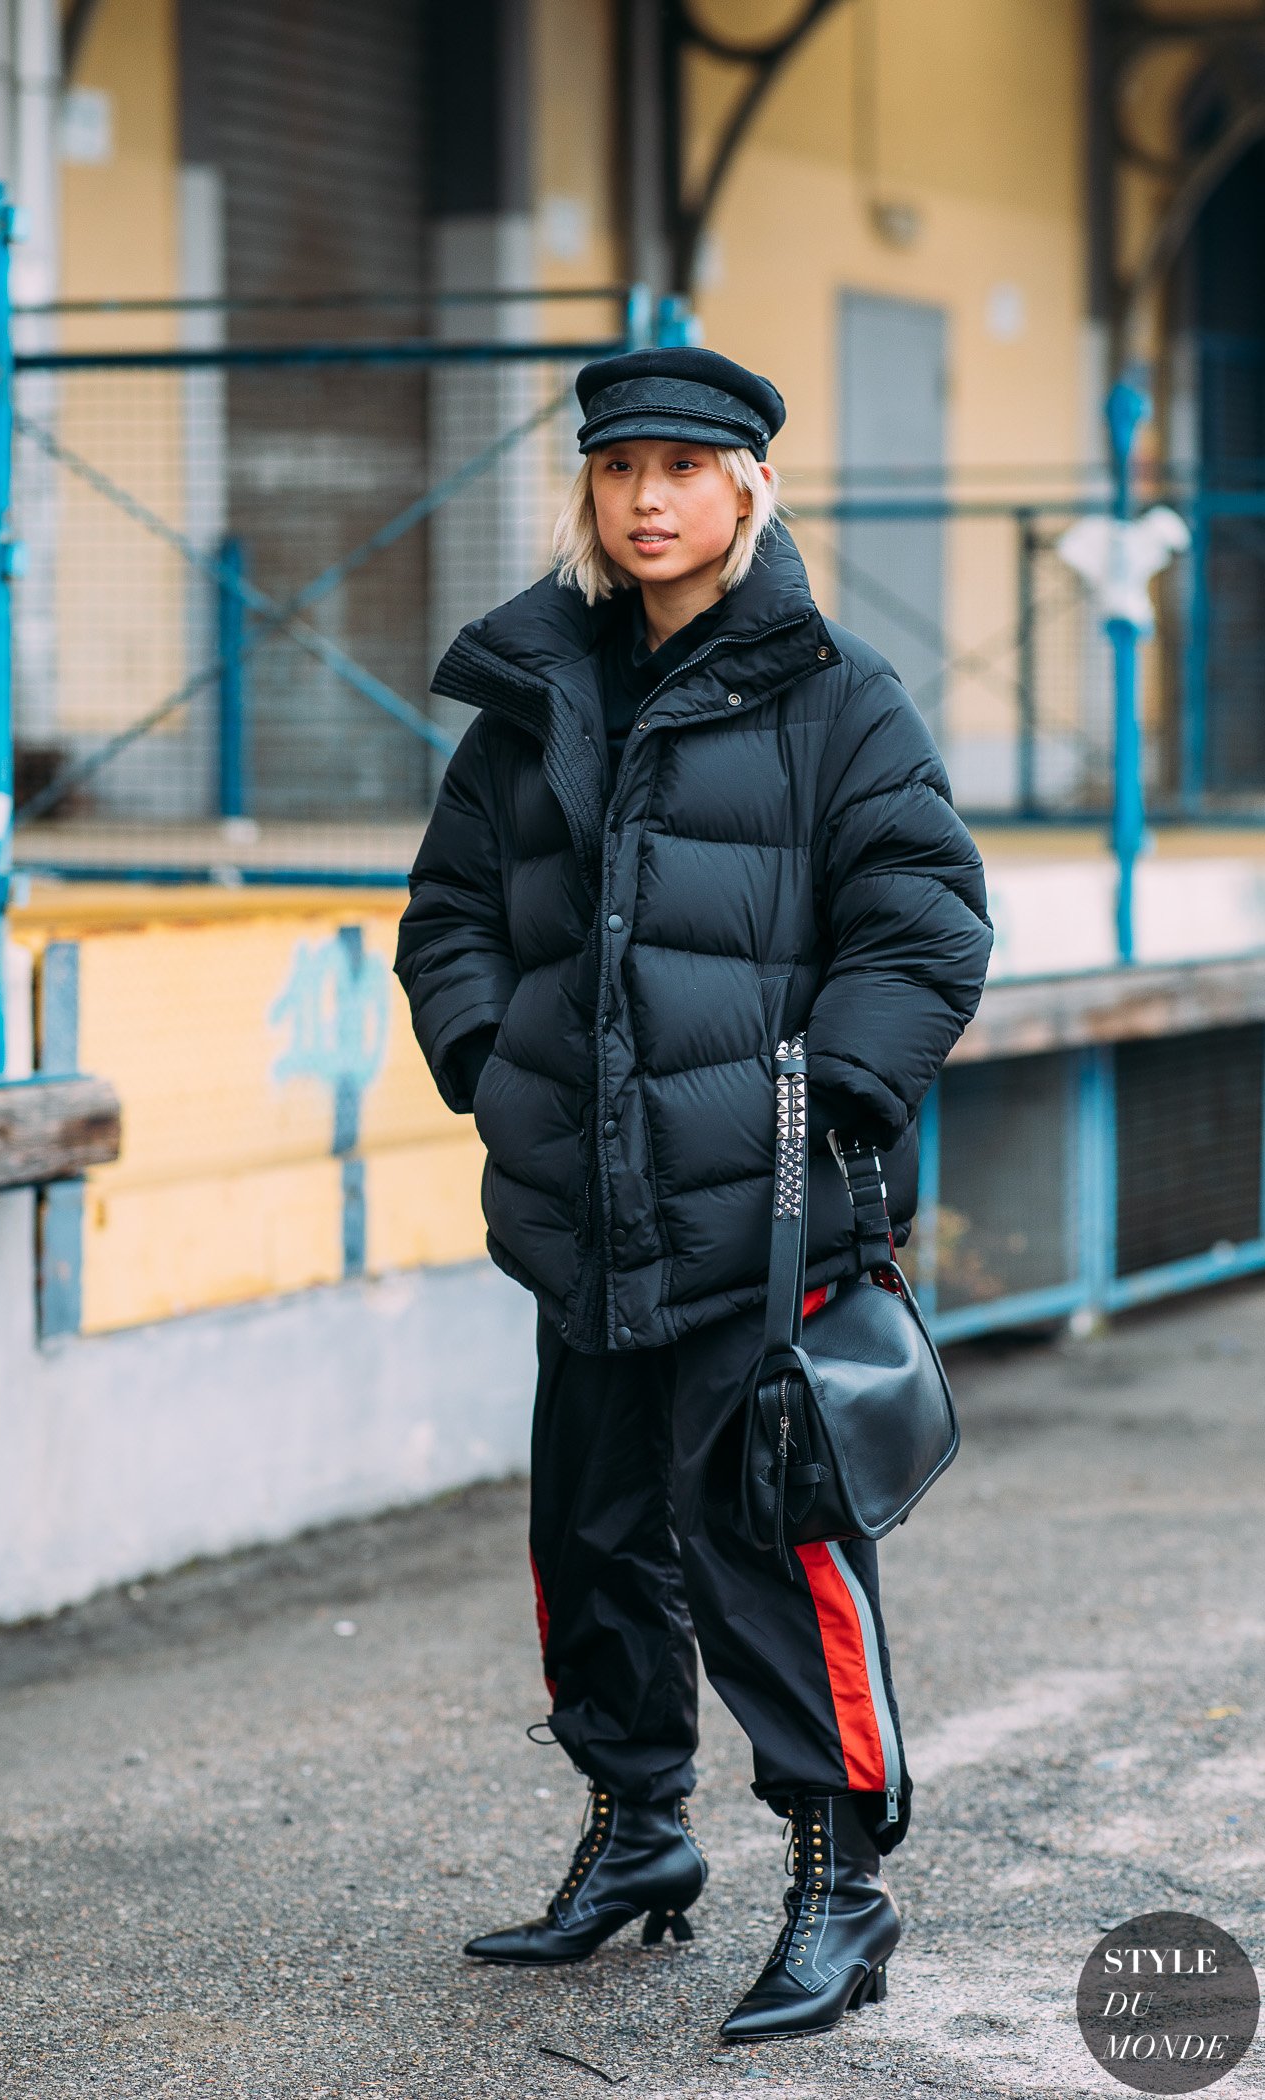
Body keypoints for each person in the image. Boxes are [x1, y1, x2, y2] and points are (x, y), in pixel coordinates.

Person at [394, 345, 992, 2042]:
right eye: (618, 469)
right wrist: (490, 1050)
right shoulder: (538, 693)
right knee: (590, 1543)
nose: (647, 498)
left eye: (682, 466)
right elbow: (447, 913)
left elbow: (928, 921)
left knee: (767, 1549)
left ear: (749, 487)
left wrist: (836, 1100)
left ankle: (835, 1887)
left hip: (763, 1214)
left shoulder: (837, 694)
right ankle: (636, 1833)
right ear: (589, 494)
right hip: (585, 1214)